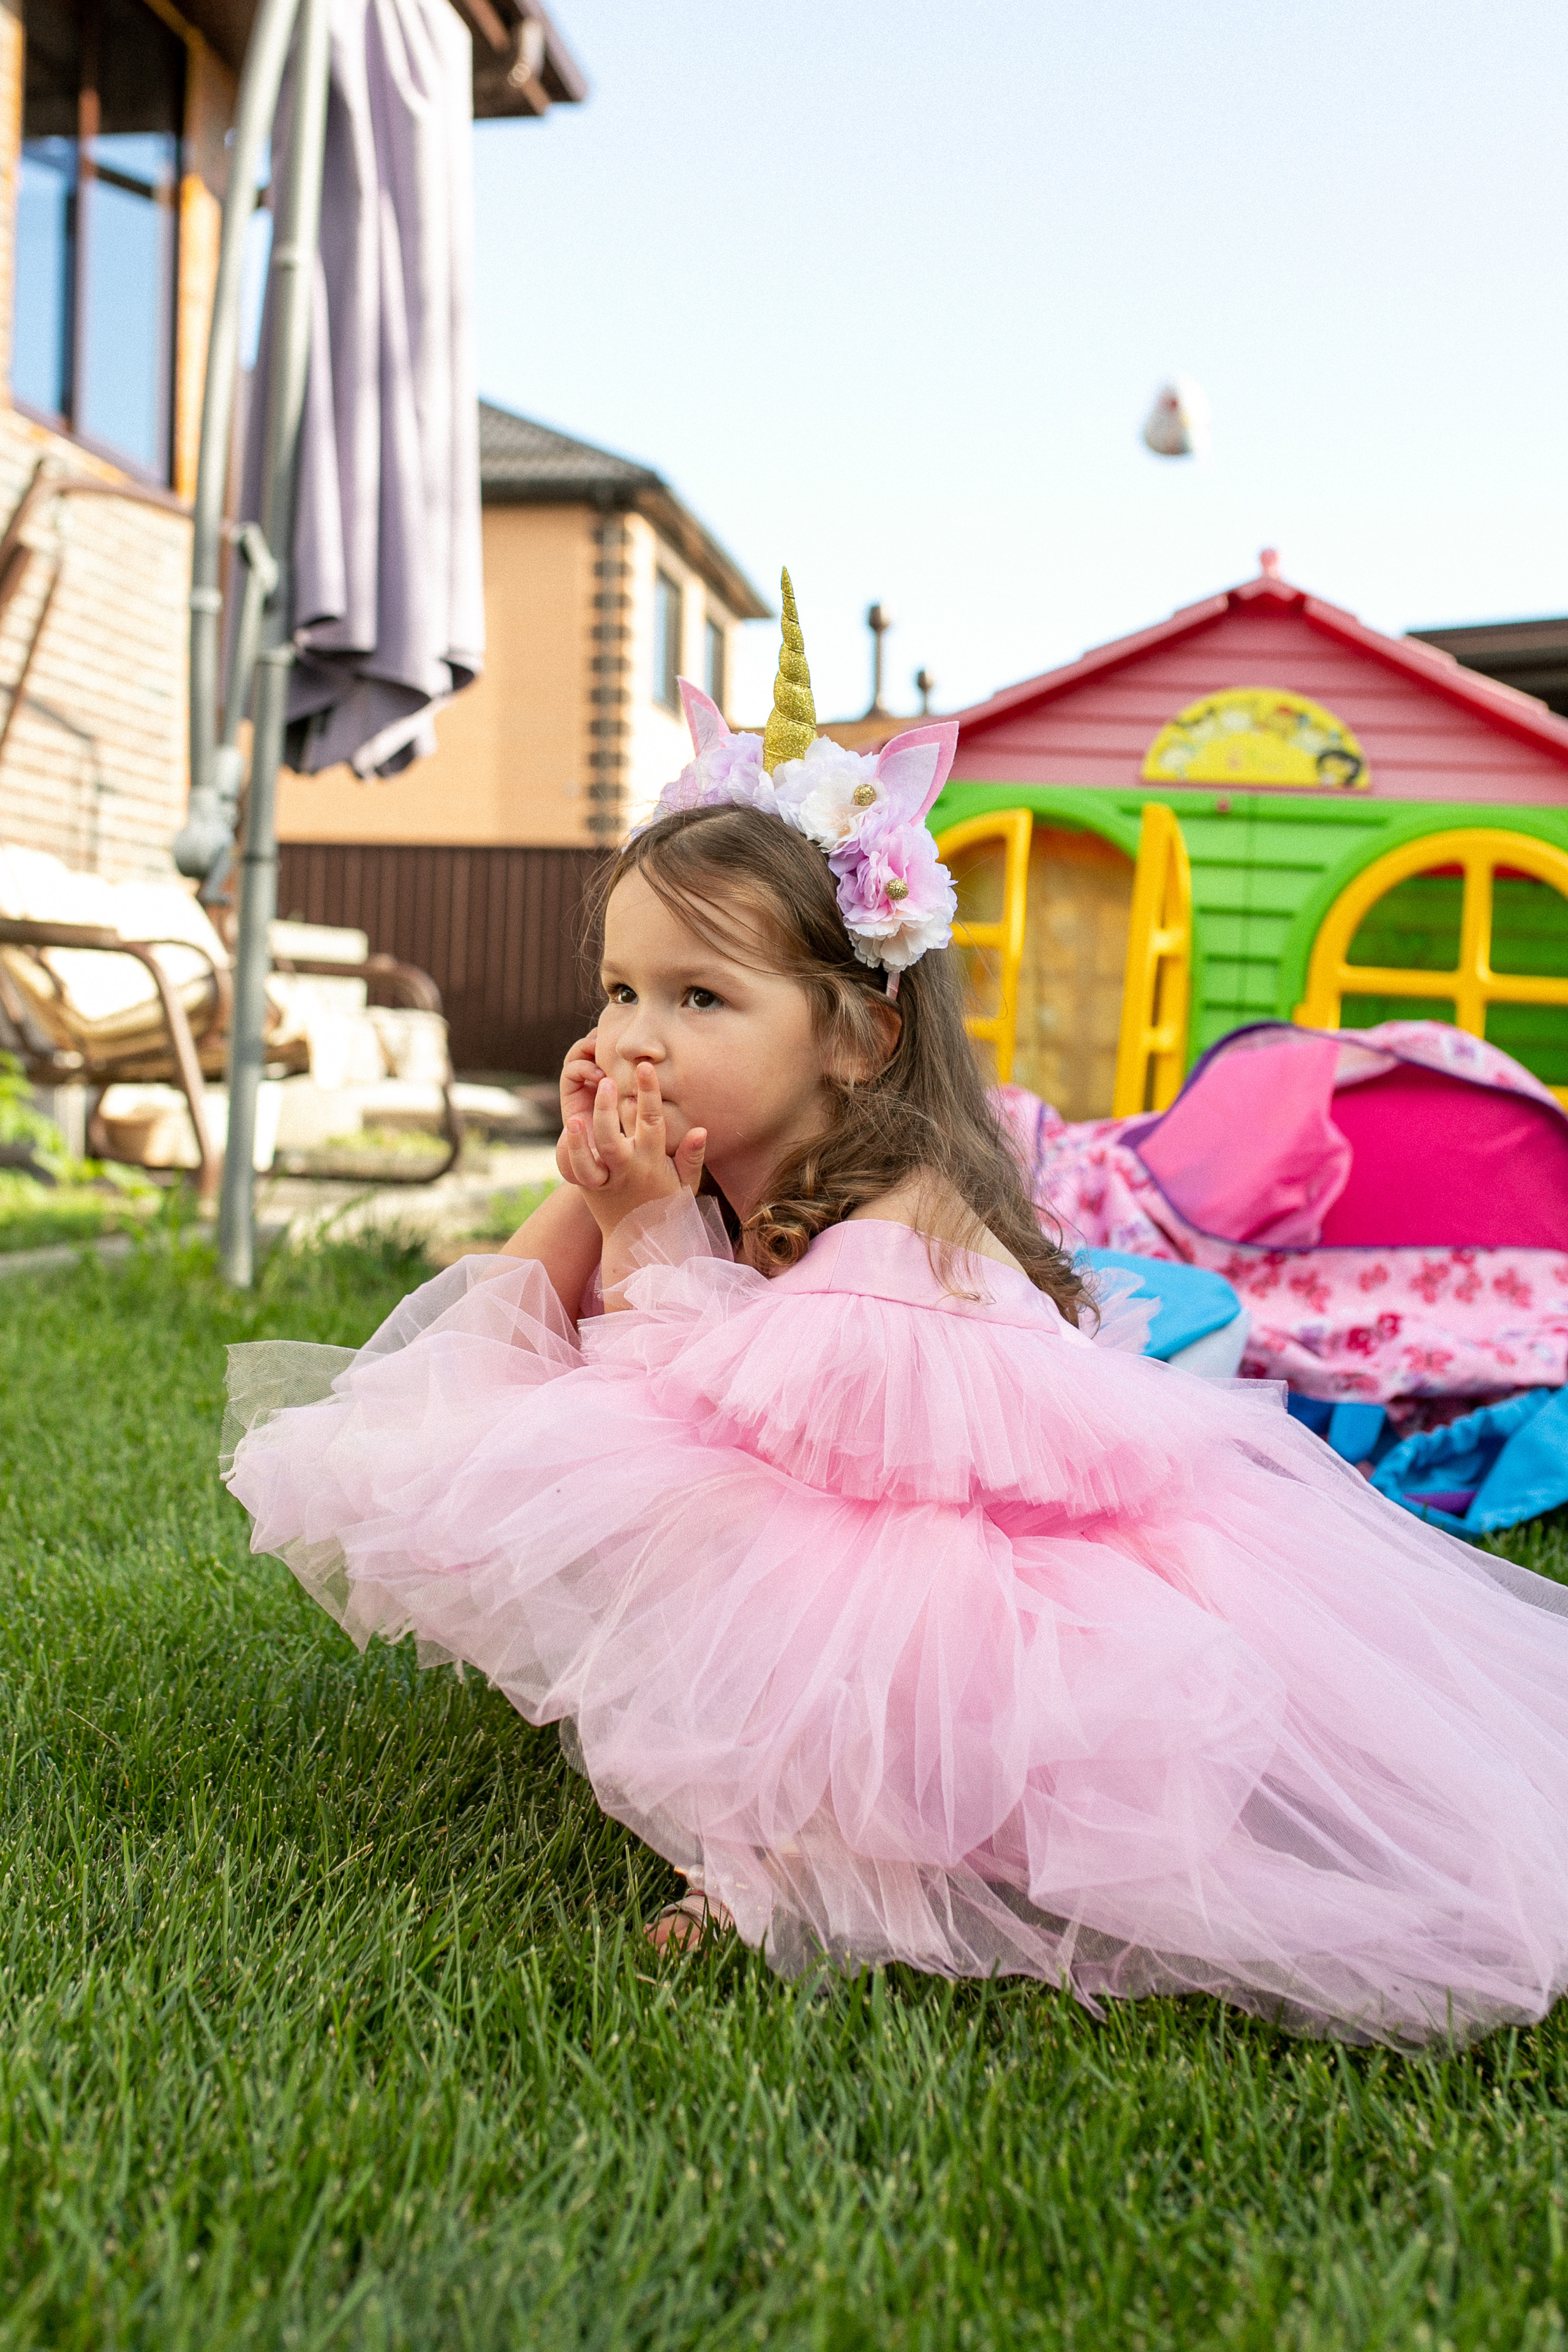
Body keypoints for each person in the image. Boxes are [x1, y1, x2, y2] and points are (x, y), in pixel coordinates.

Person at [225, 573, 1568, 2049]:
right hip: (773, 1518)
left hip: (943, 1585)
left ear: (858, 1038)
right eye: (617, 990)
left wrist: (644, 1227)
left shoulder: (906, 1212)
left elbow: (724, 1406)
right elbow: (499, 1335)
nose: (630, 1036)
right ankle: (723, 1770)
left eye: (697, 999)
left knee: (719, 1526)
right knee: (537, 1448)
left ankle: (785, 1861)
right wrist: (586, 1197)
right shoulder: (684, 1152)